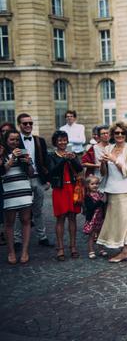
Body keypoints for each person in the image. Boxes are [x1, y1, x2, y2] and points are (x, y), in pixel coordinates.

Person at [96, 122, 127, 263]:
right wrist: (102, 163)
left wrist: (114, 160)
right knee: (116, 220)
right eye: (117, 133)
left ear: (126, 135)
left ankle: (125, 251)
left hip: (126, 188)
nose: (119, 135)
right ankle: (126, 247)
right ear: (113, 135)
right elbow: (103, 173)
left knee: (124, 219)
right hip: (112, 188)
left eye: (122, 133)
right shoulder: (108, 148)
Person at [15, 113, 52, 248]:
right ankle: (17, 239)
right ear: (19, 125)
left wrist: (47, 180)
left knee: (38, 210)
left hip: (37, 179)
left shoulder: (39, 140)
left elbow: (46, 161)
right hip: (22, 179)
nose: (28, 126)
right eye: (25, 123)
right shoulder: (15, 140)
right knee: (20, 210)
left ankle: (42, 237)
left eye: (30, 123)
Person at [47, 130, 83, 260]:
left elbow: (79, 169)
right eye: (60, 140)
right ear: (55, 142)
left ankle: (73, 246)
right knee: (60, 218)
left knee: (72, 217)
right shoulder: (51, 155)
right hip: (60, 189)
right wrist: (63, 160)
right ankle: (60, 248)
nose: (63, 142)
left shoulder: (71, 154)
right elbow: (52, 172)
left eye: (64, 140)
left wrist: (73, 159)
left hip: (72, 188)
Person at [1, 129, 34, 264]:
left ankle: (25, 251)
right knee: (9, 222)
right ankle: (11, 252)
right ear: (6, 140)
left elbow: (31, 173)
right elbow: (2, 172)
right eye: (11, 140)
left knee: (26, 220)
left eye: (16, 140)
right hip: (9, 190)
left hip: (24, 189)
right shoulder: (2, 153)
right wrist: (12, 158)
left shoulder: (24, 151)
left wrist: (28, 163)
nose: (15, 142)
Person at [82, 175, 106, 259]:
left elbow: (103, 206)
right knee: (91, 235)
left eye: (96, 184)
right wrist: (100, 201)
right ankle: (91, 250)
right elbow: (91, 207)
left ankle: (101, 249)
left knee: (100, 235)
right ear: (87, 185)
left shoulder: (99, 194)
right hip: (92, 219)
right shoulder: (87, 196)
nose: (95, 185)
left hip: (100, 218)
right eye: (92, 184)